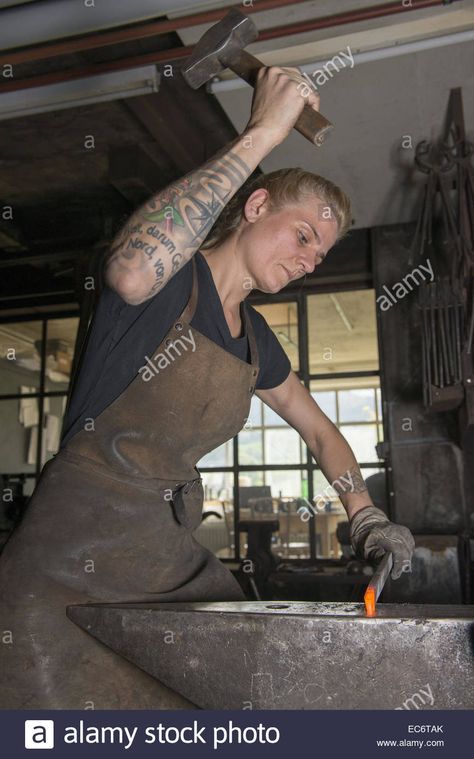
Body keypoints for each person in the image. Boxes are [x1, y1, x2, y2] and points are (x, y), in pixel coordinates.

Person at [0, 66, 414, 709]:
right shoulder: (168, 280)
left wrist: (365, 514)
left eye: (320, 255)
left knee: (231, 691)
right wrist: (263, 134)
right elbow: (132, 272)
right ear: (255, 207)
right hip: (64, 563)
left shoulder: (255, 341)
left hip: (164, 555)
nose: (308, 261)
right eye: (304, 235)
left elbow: (320, 431)